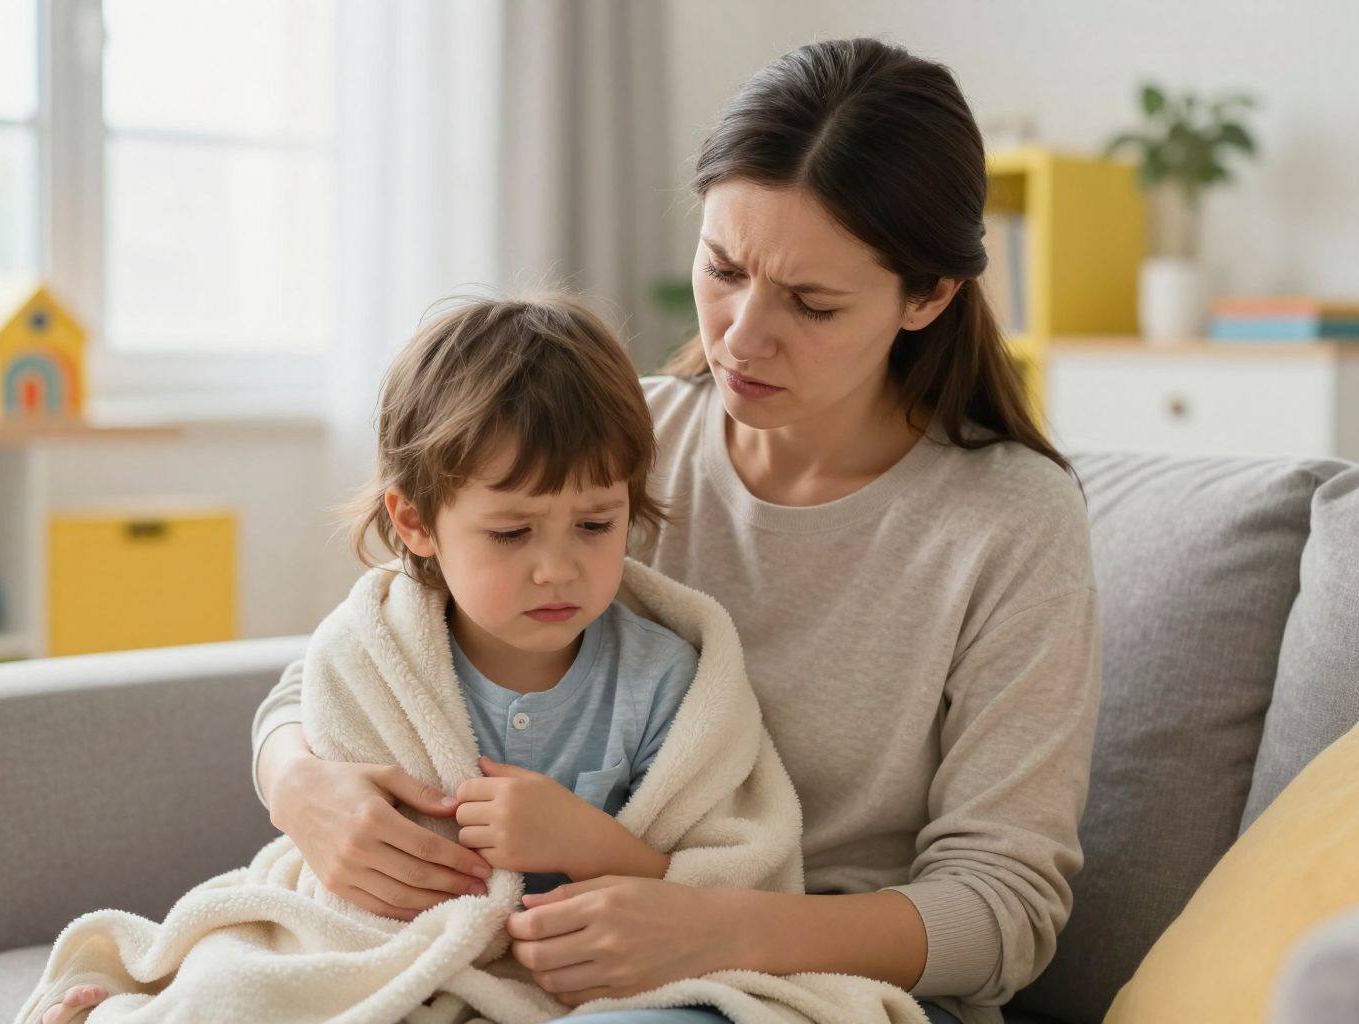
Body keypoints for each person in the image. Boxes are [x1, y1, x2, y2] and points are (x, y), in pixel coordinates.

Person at [76, 35, 1100, 1024]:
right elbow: (365, 650)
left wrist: (717, 927)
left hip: (819, 987)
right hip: (547, 954)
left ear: (928, 296)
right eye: (724, 268)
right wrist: (302, 785)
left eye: (812, 304)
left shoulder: (1007, 522)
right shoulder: (614, 440)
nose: (742, 336)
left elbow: (1004, 913)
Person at [41, 295, 721, 1023]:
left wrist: (590, 843)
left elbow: (720, 874)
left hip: (574, 975)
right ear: (416, 522)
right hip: (381, 945)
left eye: (594, 524)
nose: (557, 568)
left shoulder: (664, 679)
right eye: (511, 533)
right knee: (238, 990)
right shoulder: (376, 649)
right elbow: (330, 878)